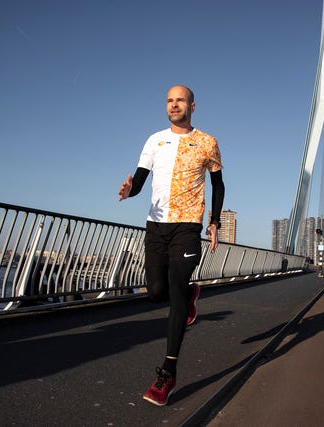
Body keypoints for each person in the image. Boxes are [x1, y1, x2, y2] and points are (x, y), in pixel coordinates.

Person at [118, 85, 225, 406]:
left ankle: (167, 373)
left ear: (192, 106)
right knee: (154, 292)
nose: (174, 104)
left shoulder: (208, 142)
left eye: (180, 100)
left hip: (188, 226)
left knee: (176, 290)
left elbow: (218, 184)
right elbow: (139, 179)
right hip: (156, 225)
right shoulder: (154, 140)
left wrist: (214, 221)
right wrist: (129, 189)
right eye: (169, 100)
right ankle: (191, 296)